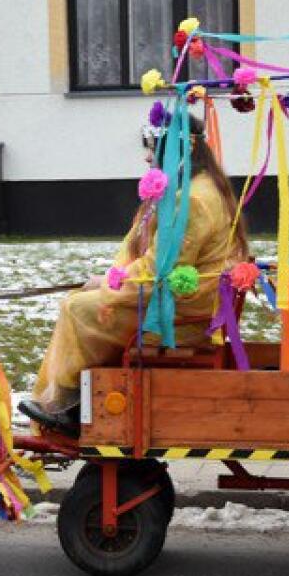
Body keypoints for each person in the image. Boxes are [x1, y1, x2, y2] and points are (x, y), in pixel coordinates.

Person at [21, 114, 249, 434]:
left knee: (76, 308)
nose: (147, 157)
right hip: (191, 302)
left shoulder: (190, 199)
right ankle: (74, 399)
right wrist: (110, 282)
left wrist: (107, 283)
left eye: (153, 149)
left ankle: (69, 407)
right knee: (82, 301)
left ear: (176, 152)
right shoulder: (206, 186)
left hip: (181, 313)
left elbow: (158, 272)